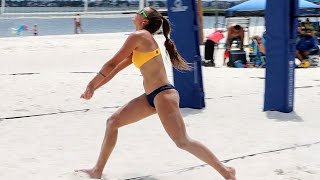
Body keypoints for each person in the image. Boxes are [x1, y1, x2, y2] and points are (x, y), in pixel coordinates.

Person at [76, 7, 236, 180]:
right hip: (151, 97)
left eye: (140, 11)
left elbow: (111, 62)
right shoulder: (141, 41)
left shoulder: (140, 36)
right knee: (113, 122)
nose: (136, 12)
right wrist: (93, 88)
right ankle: (97, 171)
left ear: (144, 21)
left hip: (163, 95)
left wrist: (91, 83)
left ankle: (226, 172)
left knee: (182, 141)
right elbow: (114, 69)